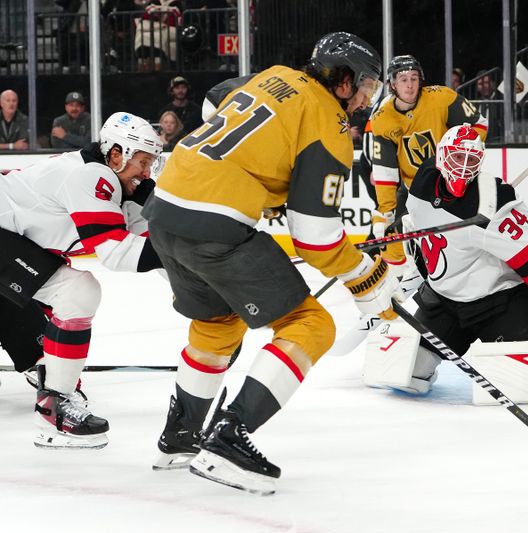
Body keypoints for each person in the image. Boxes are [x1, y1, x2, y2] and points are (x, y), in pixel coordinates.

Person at [142, 32, 393, 495]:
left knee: (217, 325)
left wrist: (268, 179)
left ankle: (179, 438)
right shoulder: (329, 126)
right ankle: (229, 439)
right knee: (312, 325)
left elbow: (214, 104)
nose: (364, 99)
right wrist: (364, 275)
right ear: (342, 80)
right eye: (365, 86)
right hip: (214, 225)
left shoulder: (275, 77)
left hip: (163, 210)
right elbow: (316, 240)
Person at [363, 124, 528, 395]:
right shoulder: (423, 180)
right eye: (458, 158)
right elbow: (424, 240)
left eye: (472, 160)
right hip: (445, 303)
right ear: (442, 156)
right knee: (409, 374)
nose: (464, 167)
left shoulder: (494, 203)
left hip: (501, 304)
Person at [0, 111, 164, 449]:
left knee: (47, 338)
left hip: (13, 241)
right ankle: (54, 411)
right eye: (143, 161)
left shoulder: (124, 181)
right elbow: (115, 252)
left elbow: (156, 241)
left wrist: (198, 302)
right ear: (116, 154)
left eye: (152, 162)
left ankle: (49, 379)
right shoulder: (90, 176)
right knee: (77, 290)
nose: (148, 171)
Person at [369, 54, 487, 271]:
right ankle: (397, 284)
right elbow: (385, 173)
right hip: (415, 188)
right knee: (391, 239)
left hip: (452, 182)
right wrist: (385, 213)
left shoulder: (442, 98)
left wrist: (462, 157)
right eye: (403, 79)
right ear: (392, 84)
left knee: (459, 241)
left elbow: (479, 125)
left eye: (414, 78)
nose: (410, 85)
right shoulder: (382, 118)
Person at [474, 70, 503, 142]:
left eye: (486, 83)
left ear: (493, 84)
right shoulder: (474, 103)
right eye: (480, 84)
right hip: (478, 142)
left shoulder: (501, 102)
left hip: (498, 142)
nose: (484, 86)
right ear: (477, 87)